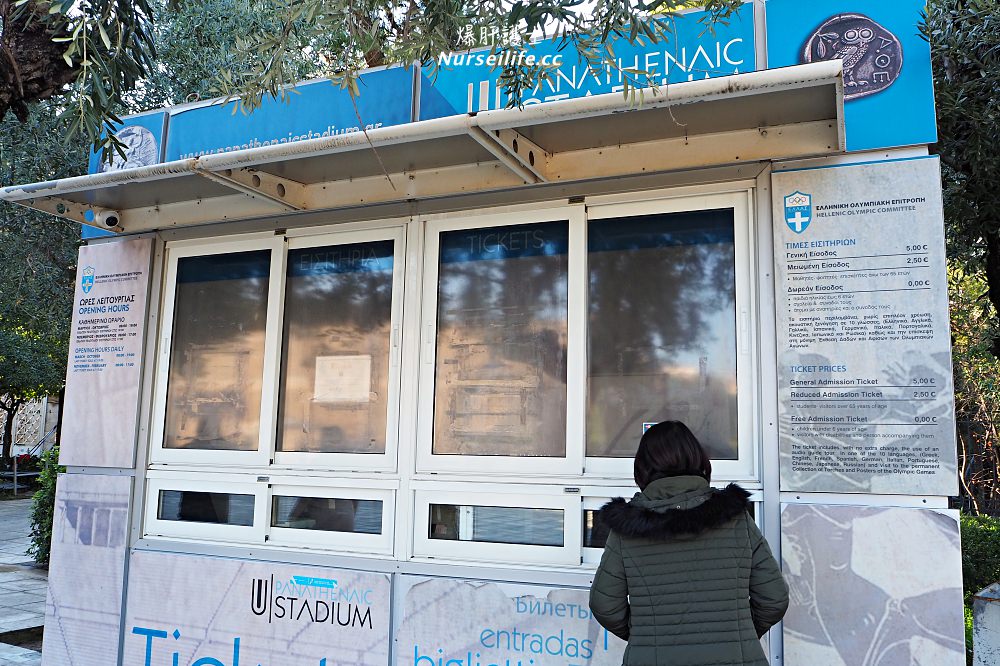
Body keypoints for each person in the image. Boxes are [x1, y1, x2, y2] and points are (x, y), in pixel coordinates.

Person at [589, 421, 788, 666]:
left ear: (642, 468)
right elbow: (774, 598)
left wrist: (648, 636)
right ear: (700, 461)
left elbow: (604, 605)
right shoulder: (736, 518)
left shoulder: (628, 529)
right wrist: (739, 635)